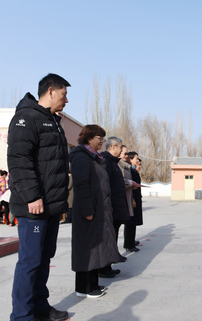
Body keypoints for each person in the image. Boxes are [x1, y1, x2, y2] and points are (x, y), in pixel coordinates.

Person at [7, 73, 70, 321]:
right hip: (33, 207)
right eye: (64, 94)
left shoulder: (52, 121)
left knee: (44, 260)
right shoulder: (26, 117)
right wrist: (33, 196)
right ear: (51, 91)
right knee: (30, 263)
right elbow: (19, 161)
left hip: (51, 208)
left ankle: (40, 307)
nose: (67, 100)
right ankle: (22, 316)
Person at [69, 125, 120, 299]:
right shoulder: (81, 157)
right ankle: (84, 288)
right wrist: (88, 210)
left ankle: (92, 284)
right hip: (88, 211)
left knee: (95, 248)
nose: (102, 142)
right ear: (90, 137)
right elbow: (81, 186)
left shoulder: (93, 157)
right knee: (86, 249)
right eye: (100, 138)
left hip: (97, 209)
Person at [99, 137, 130, 278]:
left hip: (116, 206)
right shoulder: (106, 161)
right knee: (108, 238)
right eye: (120, 147)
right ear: (113, 147)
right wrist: (109, 205)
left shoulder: (113, 162)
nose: (121, 150)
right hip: (111, 207)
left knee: (112, 237)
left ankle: (109, 266)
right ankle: (103, 268)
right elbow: (105, 186)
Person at [124, 151, 142, 252]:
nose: (137, 160)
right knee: (130, 222)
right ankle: (129, 244)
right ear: (130, 160)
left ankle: (132, 240)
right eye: (136, 158)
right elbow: (129, 186)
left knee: (133, 222)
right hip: (132, 199)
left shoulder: (133, 170)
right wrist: (133, 200)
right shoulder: (129, 170)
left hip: (136, 197)